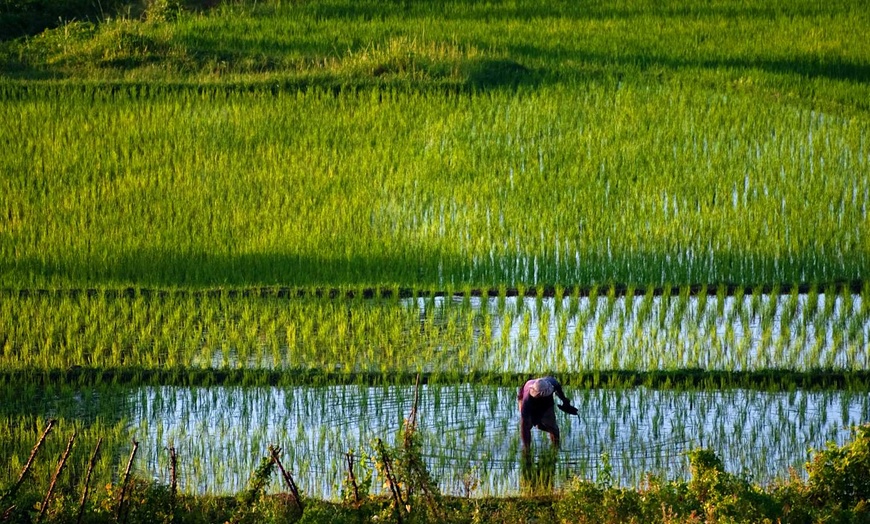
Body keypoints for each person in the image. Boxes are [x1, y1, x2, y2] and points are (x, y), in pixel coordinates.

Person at [518, 376, 577, 451]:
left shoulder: (552, 383)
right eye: (541, 396)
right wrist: (526, 449)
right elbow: (524, 426)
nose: (543, 397)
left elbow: (559, 392)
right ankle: (527, 449)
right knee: (526, 426)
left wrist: (565, 402)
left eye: (545, 395)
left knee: (552, 427)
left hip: (547, 404)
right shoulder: (527, 400)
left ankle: (555, 448)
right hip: (528, 401)